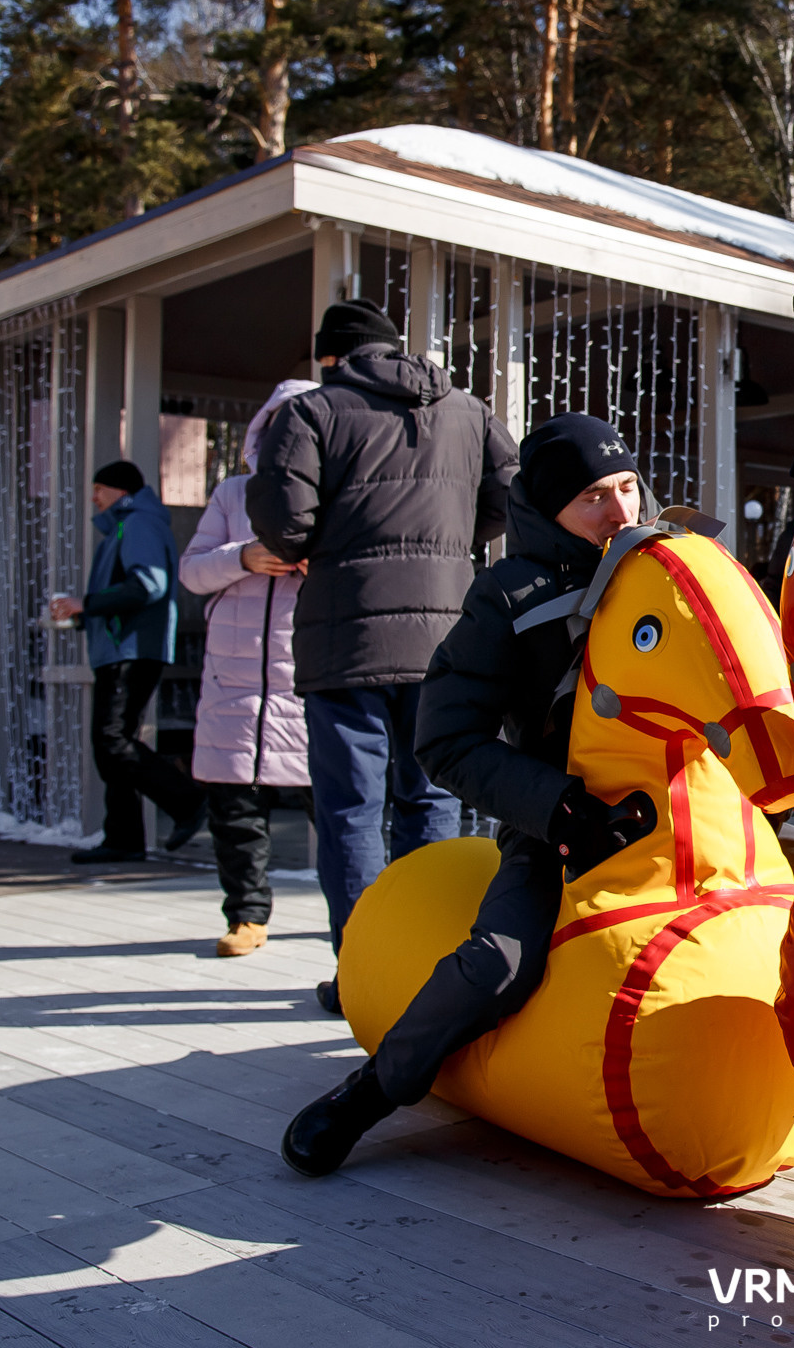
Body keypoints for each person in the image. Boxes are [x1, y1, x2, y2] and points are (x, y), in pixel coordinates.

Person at [280, 415, 655, 1177]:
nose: (621, 513)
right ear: (549, 510)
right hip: (561, 825)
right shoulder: (507, 596)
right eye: (591, 498)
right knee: (502, 962)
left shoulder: (672, 569)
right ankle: (371, 1091)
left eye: (626, 487)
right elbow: (445, 739)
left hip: (684, 822)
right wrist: (557, 809)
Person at [247, 297, 518, 1010]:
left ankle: (364, 973)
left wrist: (311, 546)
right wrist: (453, 535)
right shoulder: (466, 408)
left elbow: (284, 523)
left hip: (347, 636)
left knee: (350, 811)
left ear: (331, 357)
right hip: (444, 633)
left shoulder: (310, 414)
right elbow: (511, 494)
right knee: (431, 797)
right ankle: (427, 964)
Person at [179, 380, 319, 957]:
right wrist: (242, 557)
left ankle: (361, 914)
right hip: (231, 684)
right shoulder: (232, 494)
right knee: (235, 812)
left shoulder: (337, 495)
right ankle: (246, 916)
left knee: (336, 808)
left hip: (307, 680)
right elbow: (191, 572)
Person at [51, 461, 208, 863]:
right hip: (123, 647)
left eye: (99, 489)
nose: (94, 498)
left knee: (112, 739)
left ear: (119, 491)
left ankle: (188, 801)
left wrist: (85, 604)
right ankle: (123, 838)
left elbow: (148, 584)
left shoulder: (137, 522)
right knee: (109, 745)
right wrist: (84, 613)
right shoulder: (129, 523)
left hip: (131, 648)